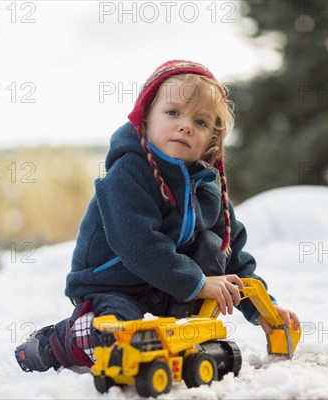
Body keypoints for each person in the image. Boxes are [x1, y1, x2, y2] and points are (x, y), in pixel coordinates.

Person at [15, 60, 299, 373]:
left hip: (168, 291)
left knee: (211, 244)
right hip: (112, 286)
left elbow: (233, 257)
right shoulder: (127, 175)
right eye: (173, 113)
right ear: (145, 118)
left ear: (212, 140)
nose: (186, 126)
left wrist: (263, 309)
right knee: (120, 332)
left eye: (201, 122)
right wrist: (198, 283)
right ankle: (59, 342)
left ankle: (168, 344)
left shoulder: (208, 188)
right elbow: (138, 243)